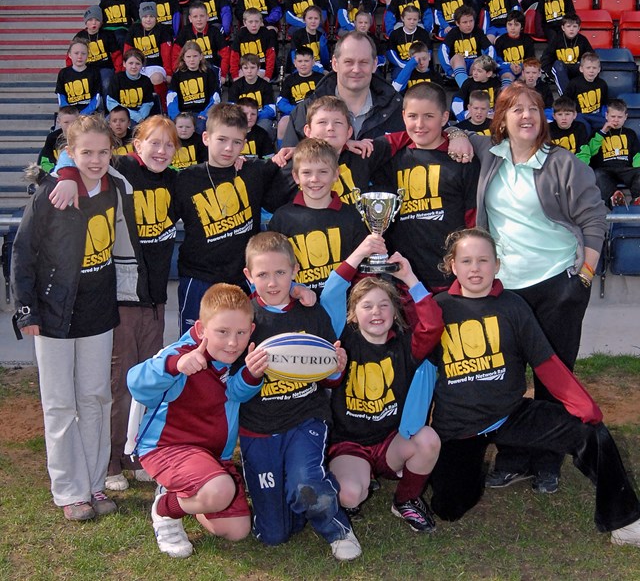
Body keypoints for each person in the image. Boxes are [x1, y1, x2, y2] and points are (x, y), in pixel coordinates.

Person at [426, 228, 640, 552]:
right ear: (452, 266)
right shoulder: (438, 308)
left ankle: (625, 520)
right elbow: (417, 370)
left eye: (483, 260)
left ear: (497, 265)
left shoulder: (513, 307)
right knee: (450, 506)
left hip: (510, 413)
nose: (475, 268)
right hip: (459, 427)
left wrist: (583, 406)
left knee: (591, 434)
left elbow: (547, 363)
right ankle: (472, 469)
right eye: (466, 260)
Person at [446, 83, 608, 494]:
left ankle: (548, 460)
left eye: (534, 108)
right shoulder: (489, 154)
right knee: (508, 378)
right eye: (516, 109)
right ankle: (513, 457)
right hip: (507, 290)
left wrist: (584, 277)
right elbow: (452, 129)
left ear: (543, 118)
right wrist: (460, 134)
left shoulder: (564, 162)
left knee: (554, 374)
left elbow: (594, 220)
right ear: (502, 117)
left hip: (558, 284)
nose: (526, 115)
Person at [12, 114, 147, 521]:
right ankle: (69, 490)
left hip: (96, 309)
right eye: (85, 152)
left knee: (95, 397)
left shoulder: (115, 189)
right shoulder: (52, 191)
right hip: (53, 311)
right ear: (69, 153)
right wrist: (27, 310)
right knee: (59, 404)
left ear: (113, 152)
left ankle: (92, 483)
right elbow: (22, 253)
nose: (95, 159)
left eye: (103, 151)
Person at [51, 115, 181, 492]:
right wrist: (67, 175)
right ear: (136, 145)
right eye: (153, 143)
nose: (160, 151)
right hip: (123, 296)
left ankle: (135, 453)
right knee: (118, 383)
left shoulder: (174, 180)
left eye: (168, 144)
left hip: (156, 298)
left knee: (147, 382)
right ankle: (108, 462)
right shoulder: (120, 169)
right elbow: (74, 155)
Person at [239, 231, 360, 561]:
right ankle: (300, 494)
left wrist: (335, 369)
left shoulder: (311, 312)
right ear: (249, 276)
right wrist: (249, 371)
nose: (273, 282)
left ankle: (337, 528)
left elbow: (329, 379)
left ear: (295, 270)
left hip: (304, 419)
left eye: (281, 273)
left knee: (306, 488)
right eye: (262, 274)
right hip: (258, 428)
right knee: (274, 535)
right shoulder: (244, 319)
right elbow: (232, 385)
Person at [127, 283, 268, 557]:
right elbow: (136, 382)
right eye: (223, 332)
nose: (232, 342)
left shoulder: (235, 355)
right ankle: (165, 508)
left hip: (213, 455)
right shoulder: (184, 353)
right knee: (220, 490)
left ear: (251, 330)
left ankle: (190, 490)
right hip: (168, 448)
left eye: (240, 333)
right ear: (202, 329)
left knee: (236, 530)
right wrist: (175, 366)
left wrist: (251, 374)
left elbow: (232, 394)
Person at [328, 248, 442, 532]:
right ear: (353, 313)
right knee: (350, 494)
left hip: (391, 442)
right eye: (367, 306)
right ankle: (356, 480)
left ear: (395, 312)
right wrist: (361, 253)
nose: (376, 312)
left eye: (383, 305)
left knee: (428, 440)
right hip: (350, 444)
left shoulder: (405, 345)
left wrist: (410, 277)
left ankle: (406, 500)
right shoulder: (343, 341)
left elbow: (432, 325)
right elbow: (330, 294)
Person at [173, 103, 278, 332]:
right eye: (222, 139)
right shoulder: (185, 179)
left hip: (241, 277)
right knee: (193, 345)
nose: (229, 148)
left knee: (241, 342)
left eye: (237, 142)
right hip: (198, 277)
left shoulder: (253, 171)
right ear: (206, 138)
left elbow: (295, 159)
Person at [381, 82, 479, 291]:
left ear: (444, 117)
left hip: (451, 279)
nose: (420, 124)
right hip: (404, 279)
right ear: (403, 115)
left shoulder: (462, 159)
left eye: (429, 116)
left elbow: (473, 218)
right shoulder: (392, 159)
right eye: (413, 116)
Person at [268, 138, 367, 294]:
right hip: (301, 310)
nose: (315, 179)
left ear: (336, 174)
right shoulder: (282, 219)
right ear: (296, 177)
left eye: (323, 172)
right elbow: (273, 268)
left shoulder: (352, 216)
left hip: (346, 307)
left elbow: (363, 269)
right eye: (307, 172)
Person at [283, 31, 405, 146]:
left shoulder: (396, 109)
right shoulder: (305, 112)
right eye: (348, 62)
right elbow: (289, 165)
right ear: (335, 64)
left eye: (363, 62)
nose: (356, 69)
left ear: (374, 65)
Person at [585, 98, 640, 207]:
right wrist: (602, 132)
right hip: (605, 170)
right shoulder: (597, 132)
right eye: (613, 116)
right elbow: (590, 151)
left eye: (619, 117)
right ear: (606, 116)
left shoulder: (630, 133)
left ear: (625, 117)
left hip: (625, 169)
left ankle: (637, 199)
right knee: (598, 174)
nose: (616, 120)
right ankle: (614, 198)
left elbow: (636, 155)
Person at [540, 14, 594, 95]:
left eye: (575, 26)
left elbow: (591, 57)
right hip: (561, 70)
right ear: (563, 28)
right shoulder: (557, 39)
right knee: (558, 64)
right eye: (568, 26)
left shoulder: (583, 40)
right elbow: (546, 57)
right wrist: (550, 74)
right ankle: (566, 96)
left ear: (579, 28)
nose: (571, 29)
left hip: (577, 70)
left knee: (585, 64)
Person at [56, 39, 101, 115]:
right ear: (70, 55)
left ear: (88, 55)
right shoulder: (63, 73)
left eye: (83, 53)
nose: (80, 56)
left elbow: (96, 97)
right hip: (69, 113)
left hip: (89, 113)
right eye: (76, 53)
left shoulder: (94, 73)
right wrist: (70, 113)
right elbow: (61, 96)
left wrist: (84, 113)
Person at [38, 106, 79, 172]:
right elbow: (44, 162)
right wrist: (54, 171)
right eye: (66, 122)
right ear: (59, 122)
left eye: (73, 122)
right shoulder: (52, 137)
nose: (70, 126)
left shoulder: (85, 137)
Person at [549, 96, 590, 160]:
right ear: (554, 116)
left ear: (574, 115)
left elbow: (584, 152)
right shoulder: (547, 130)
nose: (564, 118)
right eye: (559, 114)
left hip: (576, 164)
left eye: (567, 114)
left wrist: (579, 167)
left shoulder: (580, 127)